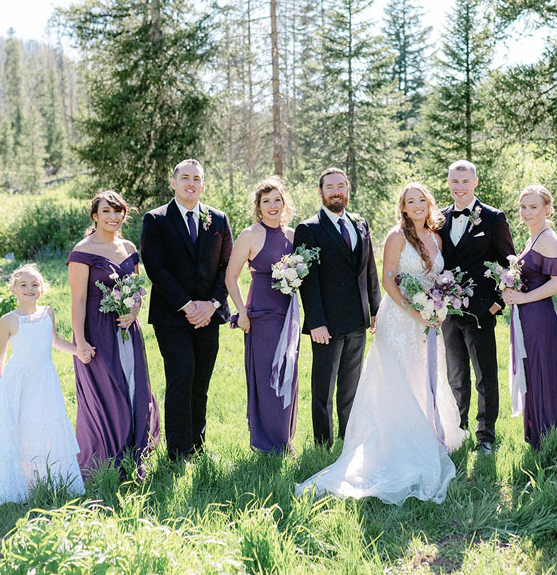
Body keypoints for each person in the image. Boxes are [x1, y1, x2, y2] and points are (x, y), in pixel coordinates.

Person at [296, 183, 467, 504]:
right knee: (397, 379)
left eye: (421, 200)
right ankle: (395, 439)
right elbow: (388, 279)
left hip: (429, 323)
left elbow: (438, 280)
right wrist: (416, 313)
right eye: (410, 201)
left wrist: (438, 306)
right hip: (401, 321)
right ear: (403, 208)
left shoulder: (437, 238)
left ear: (429, 204)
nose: (416, 205)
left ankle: (426, 431)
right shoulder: (396, 237)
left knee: (423, 374)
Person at [140, 159, 233, 461]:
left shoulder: (217, 219)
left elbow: (227, 267)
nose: (191, 183)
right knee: (181, 377)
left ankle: (198, 446)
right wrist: (187, 305)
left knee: (201, 382)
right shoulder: (157, 220)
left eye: (196, 179)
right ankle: (178, 452)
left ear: (203, 184)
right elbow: (156, 266)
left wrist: (212, 304)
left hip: (210, 315)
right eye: (185, 178)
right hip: (172, 316)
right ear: (174, 182)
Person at [68, 191, 160, 475]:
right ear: (95, 216)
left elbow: (136, 291)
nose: (113, 217)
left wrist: (134, 312)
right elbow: (79, 300)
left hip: (126, 329)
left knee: (133, 386)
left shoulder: (129, 248)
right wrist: (81, 342)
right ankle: (108, 457)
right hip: (96, 332)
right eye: (106, 211)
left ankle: (135, 452)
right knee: (108, 390)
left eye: (118, 211)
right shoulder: (82, 252)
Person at [0, 264, 84, 504]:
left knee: (44, 425)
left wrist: (79, 351)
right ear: (13, 289)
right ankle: (19, 483)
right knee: (20, 427)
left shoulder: (48, 313)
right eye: (23, 284)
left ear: (42, 289)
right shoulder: (8, 320)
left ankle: (45, 479)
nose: (29, 288)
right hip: (18, 382)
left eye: (35, 284)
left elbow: (55, 340)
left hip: (45, 381)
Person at [293, 168, 382, 448]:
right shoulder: (308, 229)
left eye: (341, 186)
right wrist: (316, 322)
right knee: (323, 388)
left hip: (357, 320)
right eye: (330, 187)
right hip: (327, 325)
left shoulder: (360, 223)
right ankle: (323, 443)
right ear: (320, 192)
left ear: (348, 189)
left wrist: (375, 310)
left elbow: (369, 270)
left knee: (350, 387)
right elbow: (307, 282)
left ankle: (348, 438)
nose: (336, 192)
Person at [439, 160, 515, 454]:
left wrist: (497, 304)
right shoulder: (440, 218)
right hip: (447, 311)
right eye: (454, 182)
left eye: (464, 181)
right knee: (455, 375)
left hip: (481, 311)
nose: (459, 187)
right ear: (448, 183)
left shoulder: (494, 218)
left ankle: (486, 435)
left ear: (475, 182)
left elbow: (509, 265)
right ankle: (459, 431)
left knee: (485, 374)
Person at [226, 177, 299, 453]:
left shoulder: (293, 235)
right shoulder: (250, 235)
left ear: (284, 204)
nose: (272, 206)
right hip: (262, 315)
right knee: (267, 376)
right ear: (258, 206)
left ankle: (284, 438)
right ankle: (266, 442)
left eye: (277, 200)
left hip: (288, 314)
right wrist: (241, 312)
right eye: (266, 201)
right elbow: (231, 277)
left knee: (288, 373)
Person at [503, 186, 557, 448]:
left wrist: (522, 297)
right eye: (523, 207)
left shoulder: (547, 237)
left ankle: (551, 438)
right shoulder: (532, 237)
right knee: (532, 373)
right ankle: (538, 437)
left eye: (533, 207)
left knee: (544, 372)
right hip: (527, 316)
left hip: (540, 318)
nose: (527, 212)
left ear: (547, 209)